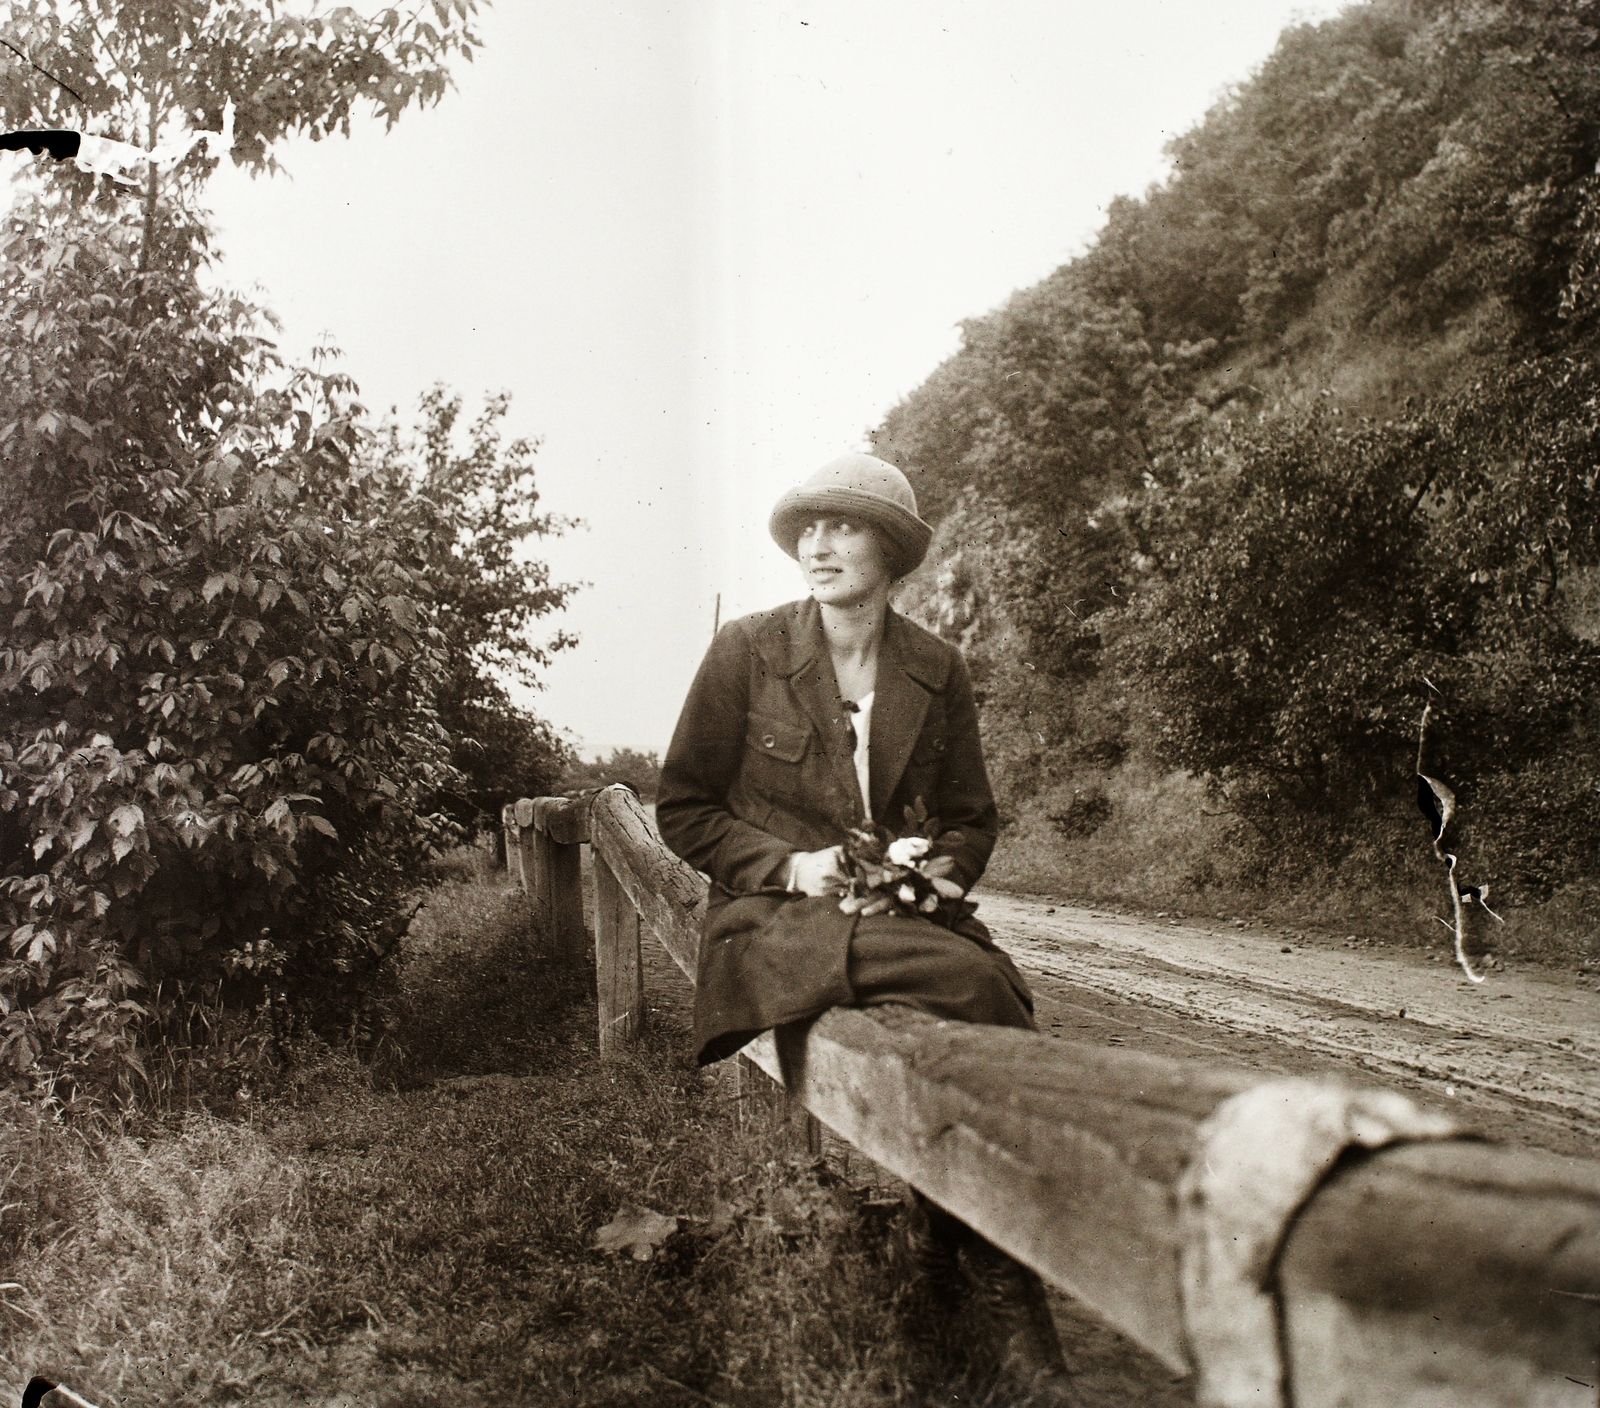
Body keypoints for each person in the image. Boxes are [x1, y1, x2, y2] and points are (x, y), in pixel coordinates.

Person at [656, 452, 1073, 1403]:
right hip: (771, 920)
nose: (818, 544)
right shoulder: (749, 652)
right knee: (972, 989)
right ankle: (1009, 1301)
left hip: (896, 916)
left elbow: (973, 817)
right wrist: (792, 865)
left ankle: (954, 1253)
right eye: (806, 528)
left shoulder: (935, 666)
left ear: (891, 549)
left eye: (842, 526)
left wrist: (935, 870)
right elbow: (682, 807)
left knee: (990, 988)